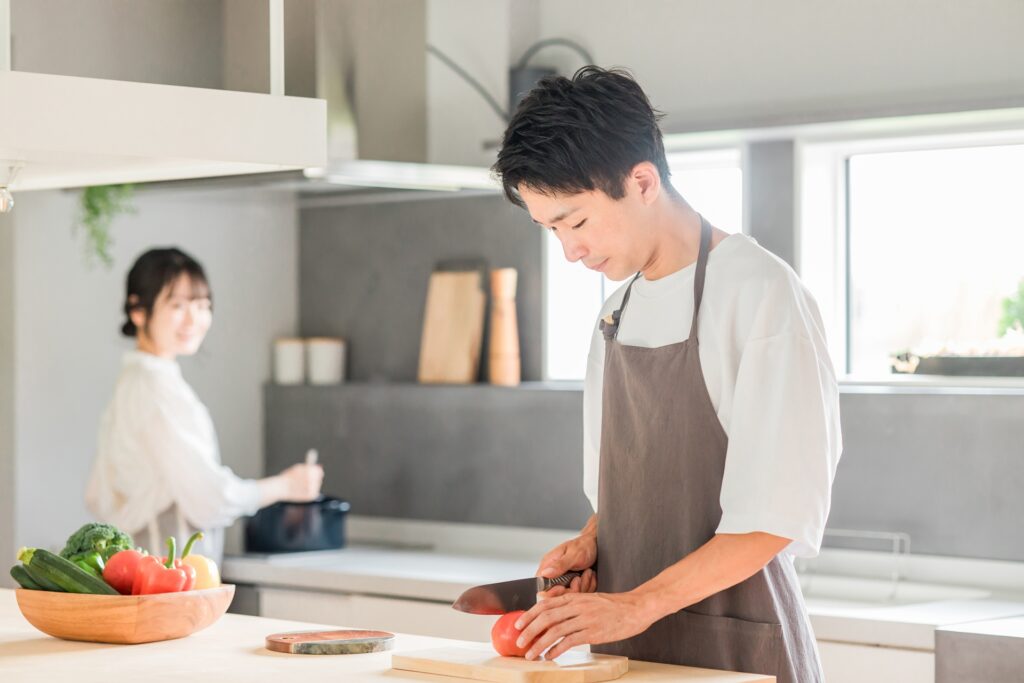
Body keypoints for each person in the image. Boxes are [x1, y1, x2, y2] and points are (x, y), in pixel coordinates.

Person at [492, 67, 841, 682]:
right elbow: (633, 492)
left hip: (738, 652)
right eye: (551, 230)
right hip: (631, 657)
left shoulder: (760, 293)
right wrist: (594, 539)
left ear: (643, 181)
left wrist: (633, 606)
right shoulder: (614, 315)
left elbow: (773, 518)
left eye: (575, 222)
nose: (569, 251)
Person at [85, 247, 323, 565]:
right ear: (138, 310)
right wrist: (286, 486)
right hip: (168, 579)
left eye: (202, 305)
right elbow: (209, 498)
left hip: (140, 574)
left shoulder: (135, 381)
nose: (193, 319)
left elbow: (96, 494)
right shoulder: (154, 388)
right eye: (178, 305)